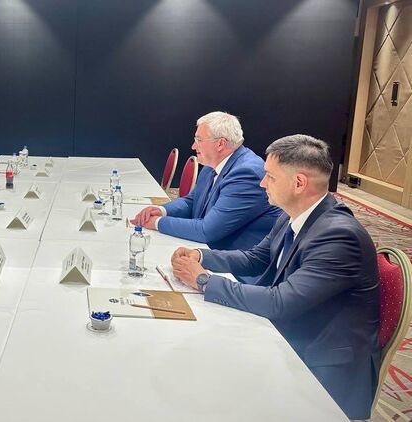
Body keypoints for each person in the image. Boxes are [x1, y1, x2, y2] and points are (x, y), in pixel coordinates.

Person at [171, 134, 380, 420]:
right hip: (292, 331)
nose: (262, 183)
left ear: (299, 183)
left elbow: (281, 301)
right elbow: (255, 258)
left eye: (270, 176)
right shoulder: (293, 214)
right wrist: (201, 256)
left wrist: (204, 281)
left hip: (322, 367)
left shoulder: (338, 235)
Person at [132, 111, 281, 259]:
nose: (193, 146)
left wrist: (157, 223)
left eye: (199, 140)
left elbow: (207, 231)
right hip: (210, 249)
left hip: (235, 260)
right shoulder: (213, 164)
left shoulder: (246, 174)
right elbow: (192, 201)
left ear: (220, 144)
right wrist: (161, 210)